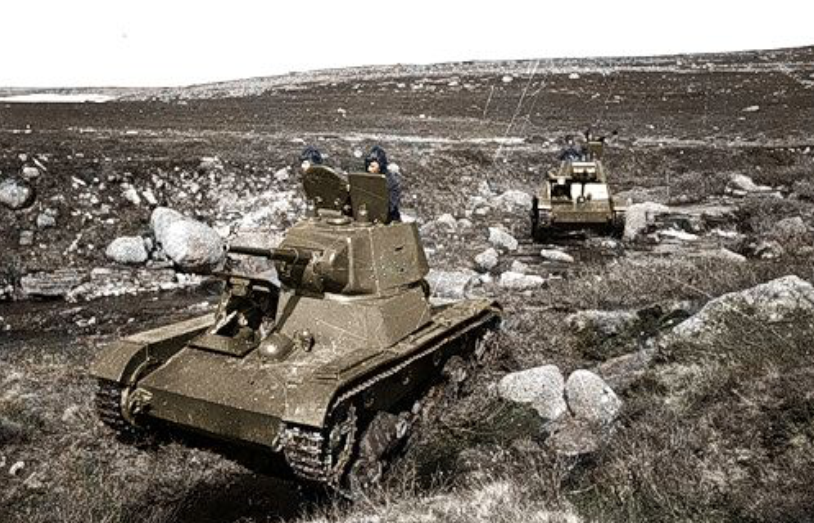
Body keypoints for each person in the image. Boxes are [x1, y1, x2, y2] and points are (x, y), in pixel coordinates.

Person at [364, 145, 401, 222]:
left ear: (380, 166)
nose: (369, 169)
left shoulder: (391, 182)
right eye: (367, 166)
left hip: (388, 219)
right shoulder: (366, 177)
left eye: (372, 166)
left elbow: (391, 206)